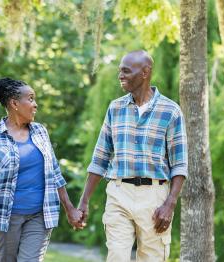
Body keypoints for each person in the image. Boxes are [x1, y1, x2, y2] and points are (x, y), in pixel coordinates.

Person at [77, 50, 188, 262]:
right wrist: (84, 201)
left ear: (145, 72)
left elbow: (180, 164)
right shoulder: (115, 108)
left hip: (155, 197)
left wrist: (170, 204)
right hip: (119, 192)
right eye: (120, 71)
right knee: (117, 256)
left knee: (152, 258)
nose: (121, 76)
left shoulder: (170, 111)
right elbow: (100, 158)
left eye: (126, 71)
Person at [0, 77, 82, 262]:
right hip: (6, 216)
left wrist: (69, 208)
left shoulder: (40, 132)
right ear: (14, 103)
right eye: (30, 99)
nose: (35, 104)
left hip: (39, 215)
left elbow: (54, 172)